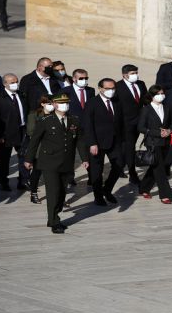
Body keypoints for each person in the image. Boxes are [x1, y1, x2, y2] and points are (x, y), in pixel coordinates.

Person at [25, 93, 89, 234]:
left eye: (66, 102)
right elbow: (34, 141)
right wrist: (28, 159)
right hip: (49, 162)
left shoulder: (73, 120)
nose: (64, 105)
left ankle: (54, 216)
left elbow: (80, 140)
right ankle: (54, 221)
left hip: (67, 162)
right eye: (61, 102)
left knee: (61, 192)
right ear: (54, 104)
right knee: (53, 192)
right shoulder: (46, 121)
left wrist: (85, 159)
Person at [83, 78, 124, 206]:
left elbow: (120, 121)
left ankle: (107, 189)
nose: (111, 91)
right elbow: (87, 125)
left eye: (113, 88)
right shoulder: (92, 103)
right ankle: (98, 196)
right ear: (100, 88)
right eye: (107, 89)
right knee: (96, 171)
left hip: (114, 141)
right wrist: (92, 143)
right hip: (97, 143)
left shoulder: (117, 101)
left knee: (119, 165)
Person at [0, 73, 30, 191]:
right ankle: (3, 182)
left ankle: (23, 181)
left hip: (22, 130)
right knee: (4, 158)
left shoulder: (21, 95)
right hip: (6, 133)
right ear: (4, 84)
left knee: (24, 155)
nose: (15, 84)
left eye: (16, 81)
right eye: (12, 82)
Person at [137, 85, 172, 204]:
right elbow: (141, 127)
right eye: (158, 93)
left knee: (155, 166)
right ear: (152, 96)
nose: (161, 95)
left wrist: (169, 131)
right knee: (160, 169)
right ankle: (165, 194)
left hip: (166, 141)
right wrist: (158, 133)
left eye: (162, 93)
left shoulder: (167, 108)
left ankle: (144, 188)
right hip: (153, 142)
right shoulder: (146, 109)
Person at [116, 64, 147, 185]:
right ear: (125, 75)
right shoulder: (118, 86)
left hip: (139, 121)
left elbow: (145, 100)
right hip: (125, 123)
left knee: (128, 146)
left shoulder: (141, 84)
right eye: (132, 73)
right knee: (129, 147)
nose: (136, 75)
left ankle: (119, 167)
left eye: (136, 72)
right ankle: (132, 173)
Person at [26, 95, 55, 204]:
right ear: (42, 104)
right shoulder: (34, 115)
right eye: (49, 103)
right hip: (40, 148)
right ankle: (33, 193)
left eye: (53, 103)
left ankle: (57, 196)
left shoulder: (55, 114)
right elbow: (30, 132)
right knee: (37, 172)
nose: (51, 106)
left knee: (54, 173)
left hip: (54, 148)